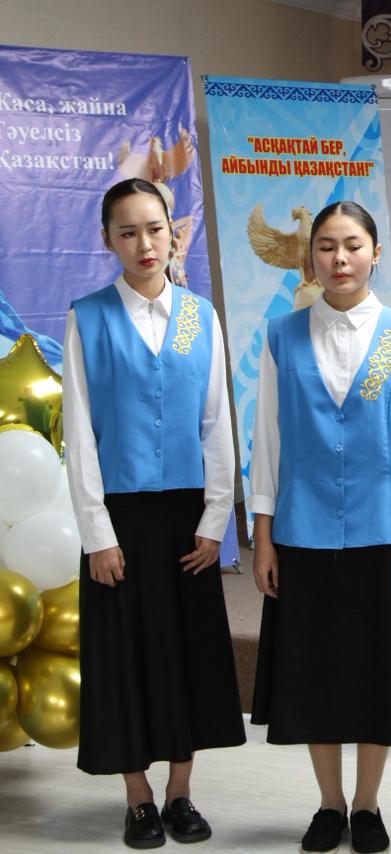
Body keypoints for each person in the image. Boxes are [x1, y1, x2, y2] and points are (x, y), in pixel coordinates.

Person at [248, 201, 391, 854]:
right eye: (327, 246)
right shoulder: (282, 336)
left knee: (375, 677)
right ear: (311, 257)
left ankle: (367, 804)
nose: (340, 258)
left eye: (353, 245)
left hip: (381, 534)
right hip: (301, 534)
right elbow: (268, 440)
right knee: (315, 676)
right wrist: (263, 533)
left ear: (375, 254)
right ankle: (329, 803)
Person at [64, 177, 245, 849]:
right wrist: (97, 535)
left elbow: (216, 422)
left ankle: (180, 792)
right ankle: (138, 796)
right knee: (126, 656)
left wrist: (214, 521)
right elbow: (80, 433)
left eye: (155, 228)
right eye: (128, 232)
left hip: (186, 520)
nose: (145, 243)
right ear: (107, 240)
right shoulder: (88, 317)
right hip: (119, 518)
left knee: (186, 655)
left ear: (174, 232)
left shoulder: (198, 316)